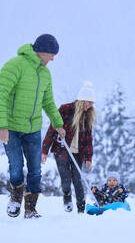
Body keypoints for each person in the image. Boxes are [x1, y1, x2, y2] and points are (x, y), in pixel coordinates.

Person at [0, 34, 66, 219]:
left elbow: (48, 102)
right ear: (44, 52)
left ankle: (30, 208)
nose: (53, 59)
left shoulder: (45, 74)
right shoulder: (15, 65)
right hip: (12, 128)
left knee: (35, 170)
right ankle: (16, 197)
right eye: (52, 55)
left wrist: (58, 124)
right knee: (16, 166)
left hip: (33, 129)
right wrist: (1, 125)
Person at [42, 81, 96, 213]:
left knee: (78, 179)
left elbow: (88, 139)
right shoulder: (65, 110)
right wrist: (44, 151)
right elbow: (52, 130)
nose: (90, 106)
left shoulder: (87, 116)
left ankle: (81, 208)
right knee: (66, 179)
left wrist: (89, 158)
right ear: (81, 100)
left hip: (78, 152)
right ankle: (67, 198)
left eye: (92, 103)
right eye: (88, 102)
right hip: (62, 151)